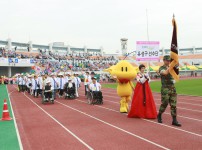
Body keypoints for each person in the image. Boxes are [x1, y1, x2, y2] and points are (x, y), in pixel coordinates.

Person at [157, 55, 181, 127]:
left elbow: (177, 72)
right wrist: (170, 67)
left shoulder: (172, 68)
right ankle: (159, 114)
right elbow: (165, 73)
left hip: (172, 88)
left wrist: (176, 65)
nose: (168, 62)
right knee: (165, 103)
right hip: (165, 88)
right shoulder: (161, 68)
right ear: (164, 60)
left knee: (173, 104)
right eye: (167, 60)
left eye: (169, 61)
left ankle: (174, 120)